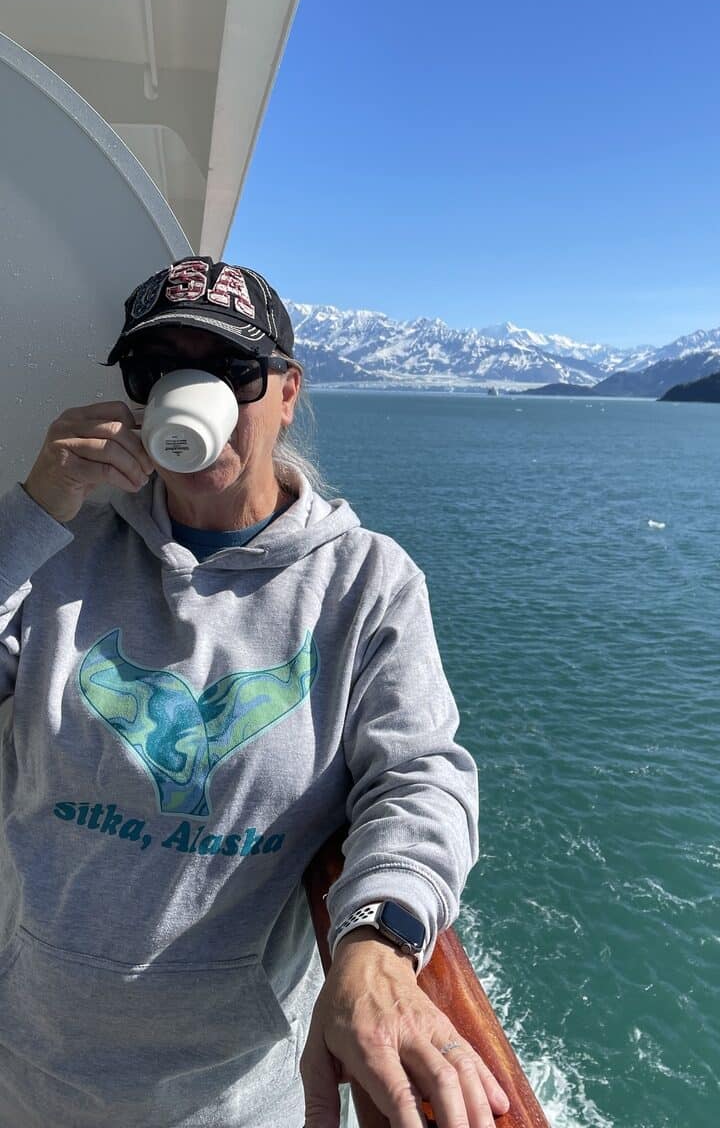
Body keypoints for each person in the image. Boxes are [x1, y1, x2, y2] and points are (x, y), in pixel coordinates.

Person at [0, 257, 510, 1128]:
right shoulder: (59, 552)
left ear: (286, 392)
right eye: (157, 372)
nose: (189, 395)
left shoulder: (364, 583)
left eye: (230, 371)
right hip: (29, 1072)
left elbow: (421, 776)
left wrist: (380, 943)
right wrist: (35, 508)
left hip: (236, 1100)